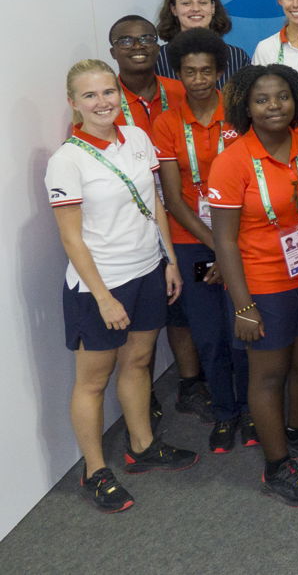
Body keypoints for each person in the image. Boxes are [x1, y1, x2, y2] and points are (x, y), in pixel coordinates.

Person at [46, 60, 197, 513]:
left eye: (108, 92)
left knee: (139, 360)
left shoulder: (137, 137)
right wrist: (104, 296)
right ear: (73, 103)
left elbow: (152, 200)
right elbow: (71, 237)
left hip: (147, 270)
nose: (102, 102)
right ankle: (94, 471)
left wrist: (168, 259)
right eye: (90, 96)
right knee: (93, 381)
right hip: (100, 286)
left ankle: (142, 446)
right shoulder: (66, 160)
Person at [209, 64, 298, 508]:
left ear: (296, 100)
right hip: (263, 283)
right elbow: (224, 240)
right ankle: (277, 464)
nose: (273, 106)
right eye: (261, 100)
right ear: (245, 106)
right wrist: (242, 306)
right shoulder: (232, 161)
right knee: (268, 375)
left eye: (281, 97)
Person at [153, 28, 252, 453]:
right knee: (209, 334)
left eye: (206, 71)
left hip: (244, 237)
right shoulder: (167, 122)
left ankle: (252, 410)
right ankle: (225, 413)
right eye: (189, 72)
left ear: (219, 72)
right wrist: (216, 246)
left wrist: (230, 245)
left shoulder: (240, 115)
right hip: (195, 241)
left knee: (243, 331)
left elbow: (254, 181)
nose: (198, 79)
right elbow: (173, 199)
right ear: (178, 74)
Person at [107, 15, 200, 422]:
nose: (138, 45)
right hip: (132, 218)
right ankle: (141, 396)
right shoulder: (106, 99)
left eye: (146, 38)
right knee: (140, 311)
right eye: (126, 40)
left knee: (180, 303)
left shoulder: (181, 90)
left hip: (182, 210)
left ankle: (190, 381)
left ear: (159, 46)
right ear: (113, 51)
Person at [154, 0, 249, 87]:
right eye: (186, 3)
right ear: (174, 9)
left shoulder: (237, 57)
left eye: (203, 2)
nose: (195, 8)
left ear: (212, 7)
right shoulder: (158, 59)